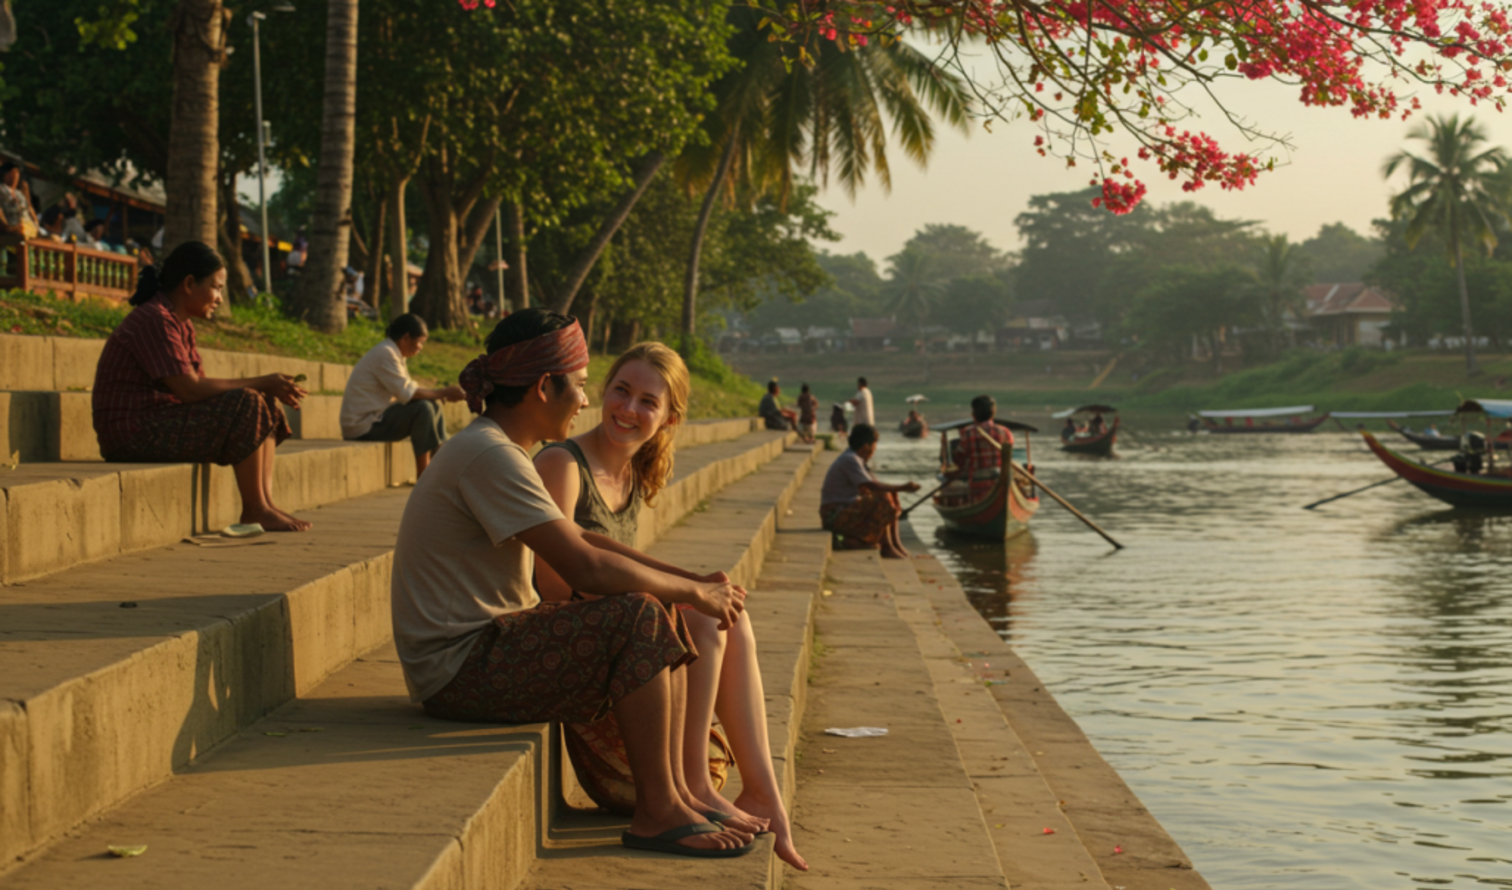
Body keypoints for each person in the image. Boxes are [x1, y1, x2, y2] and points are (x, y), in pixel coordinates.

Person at [390, 308, 754, 858]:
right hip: (460, 667)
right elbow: (583, 567)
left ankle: (677, 794)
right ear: (544, 387)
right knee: (639, 614)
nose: (585, 401)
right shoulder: (490, 454)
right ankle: (658, 810)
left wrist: (688, 582)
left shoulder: (500, 448)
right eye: (582, 387)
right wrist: (689, 592)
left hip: (486, 648)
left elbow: (582, 540)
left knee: (655, 606)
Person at [534, 342, 807, 871]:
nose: (629, 409)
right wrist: (684, 591)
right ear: (603, 390)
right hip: (592, 693)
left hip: (632, 686)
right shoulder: (561, 464)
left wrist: (693, 587)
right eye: (621, 391)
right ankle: (692, 784)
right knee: (700, 610)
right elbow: (553, 585)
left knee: (727, 610)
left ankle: (760, 791)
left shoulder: (633, 475)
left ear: (669, 417)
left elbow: (624, 572)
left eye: (647, 402)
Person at [91, 240, 311, 532]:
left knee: (263, 400)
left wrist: (264, 387)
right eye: (217, 287)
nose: (220, 298)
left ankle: (266, 504)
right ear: (189, 283)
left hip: (159, 420)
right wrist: (260, 381)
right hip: (133, 434)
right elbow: (190, 390)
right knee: (248, 400)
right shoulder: (154, 319)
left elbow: (199, 389)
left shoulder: (180, 323)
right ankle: (255, 508)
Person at [341, 313, 465, 478]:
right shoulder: (386, 353)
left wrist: (436, 395)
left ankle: (440, 452)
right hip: (363, 426)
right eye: (420, 342)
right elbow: (407, 393)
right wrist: (442, 392)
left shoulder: (392, 352)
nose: (421, 347)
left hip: (375, 419)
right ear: (406, 337)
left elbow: (407, 389)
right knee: (423, 409)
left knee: (432, 404)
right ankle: (425, 475)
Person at [819, 423, 919, 558]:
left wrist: (894, 491)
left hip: (846, 510)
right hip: (834, 515)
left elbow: (871, 486)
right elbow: (873, 486)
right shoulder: (850, 459)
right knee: (882, 498)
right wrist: (903, 487)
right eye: (874, 445)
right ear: (867, 446)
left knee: (890, 495)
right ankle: (887, 546)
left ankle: (895, 544)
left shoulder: (859, 461)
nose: (874, 449)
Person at [947, 395, 1015, 503]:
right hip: (1002, 482)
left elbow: (959, 461)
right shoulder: (1005, 432)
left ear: (973, 414)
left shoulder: (968, 434)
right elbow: (1009, 454)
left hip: (978, 486)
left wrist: (952, 474)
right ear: (993, 413)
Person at [0, 162, 39, 238]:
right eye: (13, 173)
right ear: (5, 174)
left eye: (17, 173)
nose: (16, 176)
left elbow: (29, 207)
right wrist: (8, 227)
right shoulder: (1, 189)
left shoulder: (20, 193)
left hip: (28, 225)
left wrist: (36, 224)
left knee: (54, 239)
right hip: (13, 225)